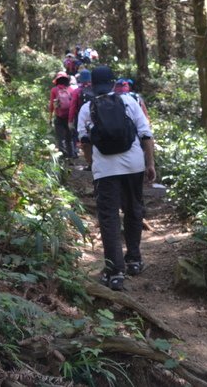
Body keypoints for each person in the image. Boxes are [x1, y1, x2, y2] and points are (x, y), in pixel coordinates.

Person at [78, 66, 155, 291]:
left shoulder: (86, 108)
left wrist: (93, 165)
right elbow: (146, 135)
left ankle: (115, 270)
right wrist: (150, 163)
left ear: (92, 85)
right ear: (113, 83)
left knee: (109, 217)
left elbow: (85, 142)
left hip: (105, 170)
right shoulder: (130, 102)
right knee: (134, 210)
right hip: (133, 166)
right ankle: (134, 259)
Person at [69, 68, 94, 162]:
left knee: (81, 137)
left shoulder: (77, 91)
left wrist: (70, 121)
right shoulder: (95, 89)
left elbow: (72, 107)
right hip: (95, 117)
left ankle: (86, 160)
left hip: (80, 118)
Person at [48, 72, 76, 158]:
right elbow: (74, 104)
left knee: (60, 138)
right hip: (69, 117)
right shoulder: (71, 89)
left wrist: (50, 118)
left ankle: (63, 156)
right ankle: (71, 155)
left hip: (59, 117)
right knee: (69, 138)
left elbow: (52, 105)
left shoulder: (54, 90)